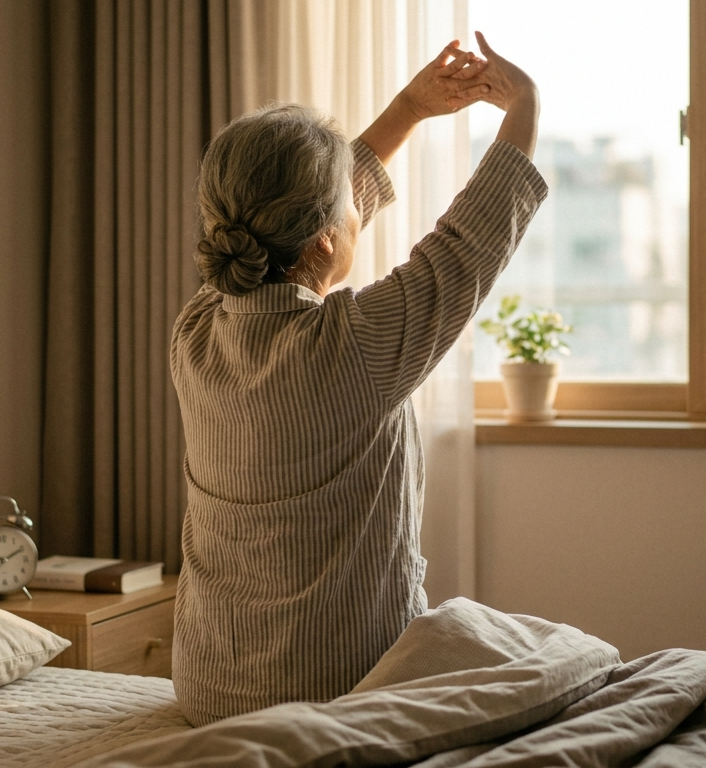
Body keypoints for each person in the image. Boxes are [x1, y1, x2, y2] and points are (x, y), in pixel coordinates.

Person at [170, 32, 545, 727]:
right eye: (348, 205)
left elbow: (303, 221)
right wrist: (524, 105)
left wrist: (406, 109)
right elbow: (472, 242)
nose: (357, 212)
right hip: (338, 698)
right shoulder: (355, 348)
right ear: (322, 238)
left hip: (209, 694)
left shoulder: (195, 334)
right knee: (554, 657)